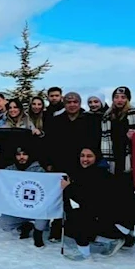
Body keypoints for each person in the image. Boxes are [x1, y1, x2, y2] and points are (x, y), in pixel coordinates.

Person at [61, 147, 135, 261]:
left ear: (97, 158)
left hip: (119, 224)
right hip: (118, 222)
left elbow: (89, 201)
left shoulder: (98, 175)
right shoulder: (92, 172)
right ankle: (119, 238)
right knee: (75, 220)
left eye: (89, 156)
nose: (85, 159)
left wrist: (68, 188)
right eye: (82, 155)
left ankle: (86, 253)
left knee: (77, 220)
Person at [44, 92, 100, 242]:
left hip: (83, 165)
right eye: (68, 102)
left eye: (75, 102)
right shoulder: (56, 121)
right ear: (64, 103)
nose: (72, 104)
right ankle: (58, 227)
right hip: (60, 165)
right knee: (61, 198)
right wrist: (49, 163)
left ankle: (86, 227)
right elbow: (49, 143)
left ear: (80, 103)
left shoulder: (90, 119)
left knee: (84, 197)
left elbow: (96, 142)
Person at [100, 86, 135, 247]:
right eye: (116, 97)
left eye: (123, 97)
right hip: (111, 162)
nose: (119, 100)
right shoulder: (107, 116)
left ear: (128, 99)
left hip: (128, 163)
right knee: (112, 199)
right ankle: (116, 231)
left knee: (126, 200)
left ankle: (129, 232)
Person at [0, 144, 50, 247]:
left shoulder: (39, 169)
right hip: (18, 209)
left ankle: (37, 234)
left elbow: (47, 188)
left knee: (43, 219)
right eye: (18, 155)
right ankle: (25, 226)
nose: (21, 157)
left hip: (36, 209)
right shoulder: (10, 169)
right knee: (2, 224)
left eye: (24, 154)